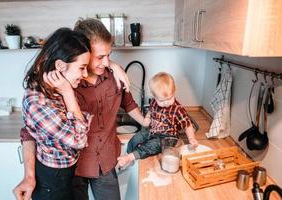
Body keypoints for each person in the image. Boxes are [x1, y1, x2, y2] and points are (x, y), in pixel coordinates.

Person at [13, 18, 146, 200]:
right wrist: (29, 175)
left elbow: (128, 103)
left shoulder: (114, 75)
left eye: (109, 56)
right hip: (74, 171)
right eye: (99, 57)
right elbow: (30, 131)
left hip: (105, 163)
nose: (106, 62)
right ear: (84, 51)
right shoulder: (65, 85)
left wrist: (149, 123)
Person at [19, 28, 93, 200]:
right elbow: (79, 140)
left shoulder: (54, 88)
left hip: (67, 174)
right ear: (60, 65)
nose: (85, 74)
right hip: (53, 182)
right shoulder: (38, 101)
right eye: (82, 68)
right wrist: (68, 93)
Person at [117, 72, 199, 167]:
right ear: (154, 97)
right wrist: (147, 118)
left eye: (169, 98)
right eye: (161, 100)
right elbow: (151, 111)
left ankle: (131, 157)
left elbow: (187, 125)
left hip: (167, 138)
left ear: (174, 91)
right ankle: (128, 154)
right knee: (136, 138)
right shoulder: (154, 102)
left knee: (153, 145)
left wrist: (191, 138)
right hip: (152, 131)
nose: (165, 103)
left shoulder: (178, 109)